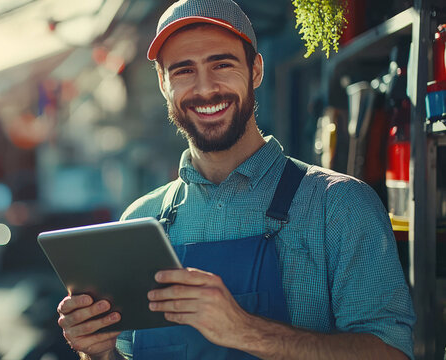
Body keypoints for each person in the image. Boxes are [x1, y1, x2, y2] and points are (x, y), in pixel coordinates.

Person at [55, 0, 416, 359]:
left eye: (222, 64)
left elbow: (392, 353)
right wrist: (99, 352)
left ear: (255, 70)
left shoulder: (339, 205)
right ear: (163, 83)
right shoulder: (139, 221)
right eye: (183, 71)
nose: (206, 88)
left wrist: (245, 330)